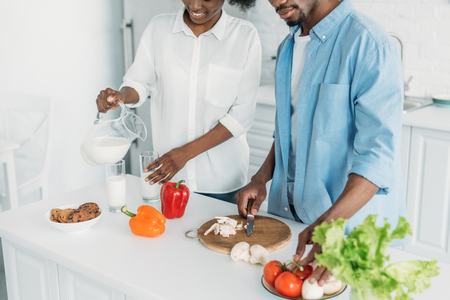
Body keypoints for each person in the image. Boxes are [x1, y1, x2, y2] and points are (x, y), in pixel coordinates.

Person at [236, 0, 407, 286]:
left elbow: (377, 158)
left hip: (351, 233)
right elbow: (288, 131)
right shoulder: (287, 48)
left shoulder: (369, 45)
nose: (276, 2)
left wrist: (331, 224)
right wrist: (261, 177)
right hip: (296, 229)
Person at [96, 0, 261, 203]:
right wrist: (121, 96)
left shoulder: (245, 36)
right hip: (170, 180)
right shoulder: (159, 28)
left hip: (224, 183)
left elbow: (241, 117)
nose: (195, 5)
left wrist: (184, 154)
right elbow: (138, 82)